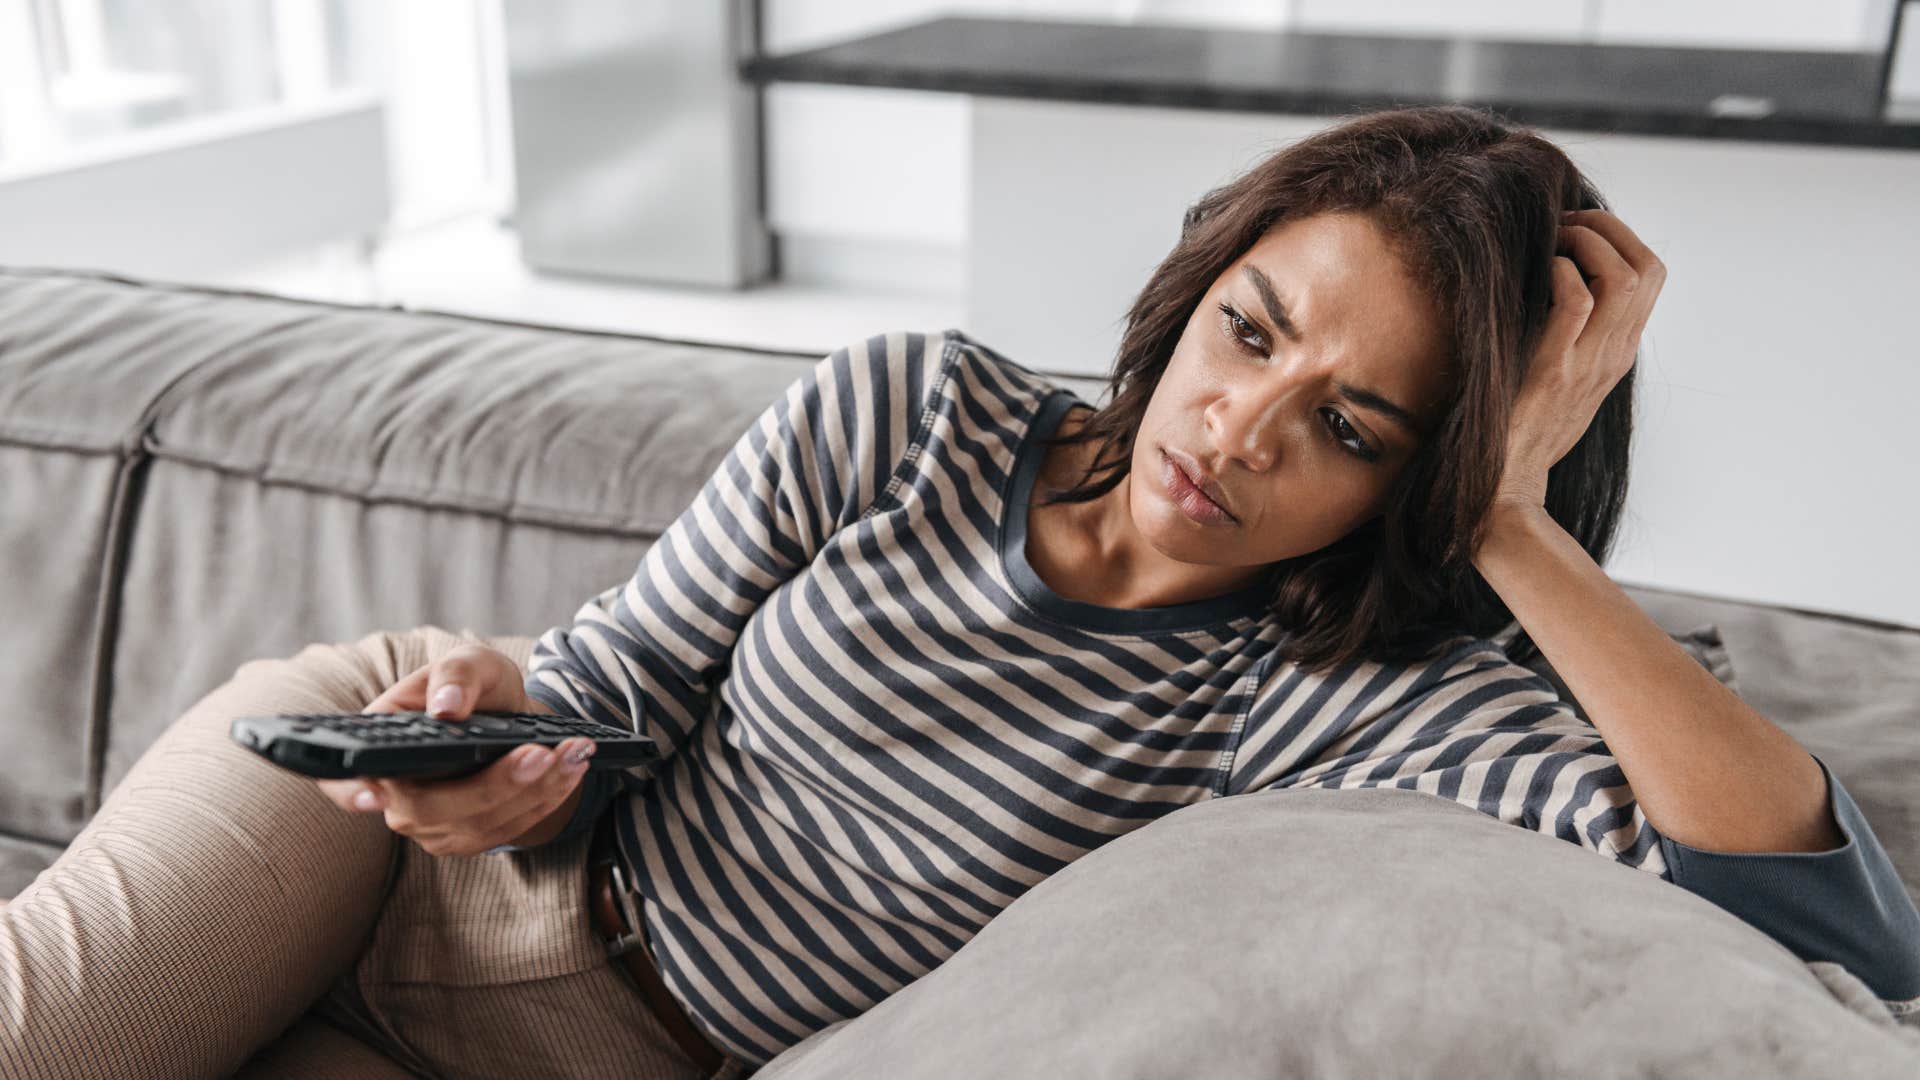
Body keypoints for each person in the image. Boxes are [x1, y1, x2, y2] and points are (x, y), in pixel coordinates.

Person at [6, 103, 1917, 1077]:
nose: (1241, 427)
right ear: (1198, 283)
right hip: (376, 852)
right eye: (1247, 332)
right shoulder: (912, 411)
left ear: (1422, 479)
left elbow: (1820, 921)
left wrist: (1511, 526)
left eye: (1351, 424)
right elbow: (625, 685)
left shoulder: (1341, 693)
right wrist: (509, 739)